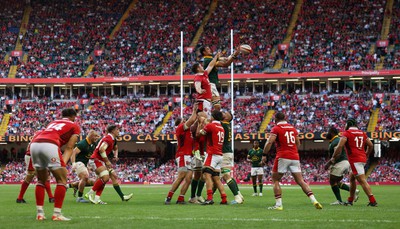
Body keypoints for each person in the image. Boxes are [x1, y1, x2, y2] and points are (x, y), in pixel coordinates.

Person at [263, 112, 322, 210]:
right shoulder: (293, 128)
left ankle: (278, 205)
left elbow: (269, 142)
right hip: (294, 156)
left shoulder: (276, 128)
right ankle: (314, 200)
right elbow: (298, 143)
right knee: (301, 181)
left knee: (275, 180)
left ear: (276, 119)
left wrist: (264, 154)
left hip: (282, 155)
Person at [30, 108, 81, 221]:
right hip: (50, 144)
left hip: (35, 144)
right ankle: (57, 214)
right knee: (62, 180)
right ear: (73, 116)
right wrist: (63, 163)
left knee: (41, 181)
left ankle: (40, 214)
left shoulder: (52, 123)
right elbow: (69, 147)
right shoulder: (75, 125)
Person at [332, 118, 377, 207]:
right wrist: (366, 154)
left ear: (348, 124)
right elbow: (371, 145)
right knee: (352, 178)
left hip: (355, 160)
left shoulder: (347, 133)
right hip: (362, 159)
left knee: (362, 180)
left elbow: (340, 146)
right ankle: (350, 200)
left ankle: (373, 201)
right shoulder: (362, 133)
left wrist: (333, 157)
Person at [165, 103, 198, 204]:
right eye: (184, 120)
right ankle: (169, 197)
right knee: (181, 176)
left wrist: (199, 117)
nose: (185, 121)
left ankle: (181, 198)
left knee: (188, 179)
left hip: (189, 156)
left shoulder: (188, 131)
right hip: (183, 155)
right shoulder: (180, 128)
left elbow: (194, 122)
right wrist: (194, 111)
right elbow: (192, 120)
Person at [197, 109, 227, 205]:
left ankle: (209, 198)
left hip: (212, 154)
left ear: (213, 117)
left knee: (207, 175)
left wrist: (201, 124)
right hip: (219, 155)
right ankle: (224, 198)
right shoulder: (221, 127)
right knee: (216, 178)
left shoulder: (210, 125)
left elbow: (199, 134)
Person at [17, 130, 55, 204]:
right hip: (34, 157)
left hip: (31, 156)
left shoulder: (37, 137)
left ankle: (20, 198)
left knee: (34, 177)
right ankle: (51, 198)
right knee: (43, 176)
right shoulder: (45, 138)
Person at [324, 127, 359, 205]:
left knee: (332, 181)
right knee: (336, 182)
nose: (327, 133)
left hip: (341, 162)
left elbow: (338, 153)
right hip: (343, 162)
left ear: (332, 132)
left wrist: (329, 163)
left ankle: (339, 201)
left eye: (328, 131)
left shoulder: (336, 141)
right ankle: (353, 190)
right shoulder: (334, 141)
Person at [85, 125, 119, 204]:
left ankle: (97, 199)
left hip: (99, 160)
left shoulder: (111, 139)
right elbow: (101, 149)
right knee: (105, 177)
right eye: (117, 130)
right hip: (96, 159)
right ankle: (89, 193)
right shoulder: (109, 138)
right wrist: (107, 161)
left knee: (103, 179)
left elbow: (114, 148)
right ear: (113, 131)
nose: (118, 131)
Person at [200, 46, 240, 110]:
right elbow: (225, 64)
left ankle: (208, 118)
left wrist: (234, 54)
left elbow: (226, 59)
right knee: (217, 107)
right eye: (207, 49)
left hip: (210, 85)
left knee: (214, 107)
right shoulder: (208, 60)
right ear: (204, 52)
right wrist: (234, 55)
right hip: (210, 85)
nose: (210, 49)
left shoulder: (211, 59)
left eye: (209, 48)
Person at [70, 130, 100, 203]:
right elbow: (73, 153)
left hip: (84, 164)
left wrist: (89, 166)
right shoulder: (82, 143)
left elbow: (88, 157)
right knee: (85, 177)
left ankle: (73, 185)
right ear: (91, 136)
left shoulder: (93, 145)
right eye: (95, 136)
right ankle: (80, 198)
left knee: (93, 182)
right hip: (78, 162)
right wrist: (73, 163)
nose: (97, 138)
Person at [221, 111, 243, 204]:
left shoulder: (223, 124)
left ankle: (237, 197)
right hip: (227, 152)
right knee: (221, 176)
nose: (223, 113)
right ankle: (239, 194)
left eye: (225, 113)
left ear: (227, 118)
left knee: (226, 175)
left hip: (225, 153)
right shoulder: (227, 125)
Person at [192, 52, 221, 119]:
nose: (202, 66)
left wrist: (216, 57)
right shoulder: (198, 77)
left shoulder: (204, 74)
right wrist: (200, 90)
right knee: (204, 120)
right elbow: (197, 85)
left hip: (207, 101)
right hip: (203, 101)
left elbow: (210, 65)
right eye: (201, 66)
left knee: (205, 120)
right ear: (198, 69)